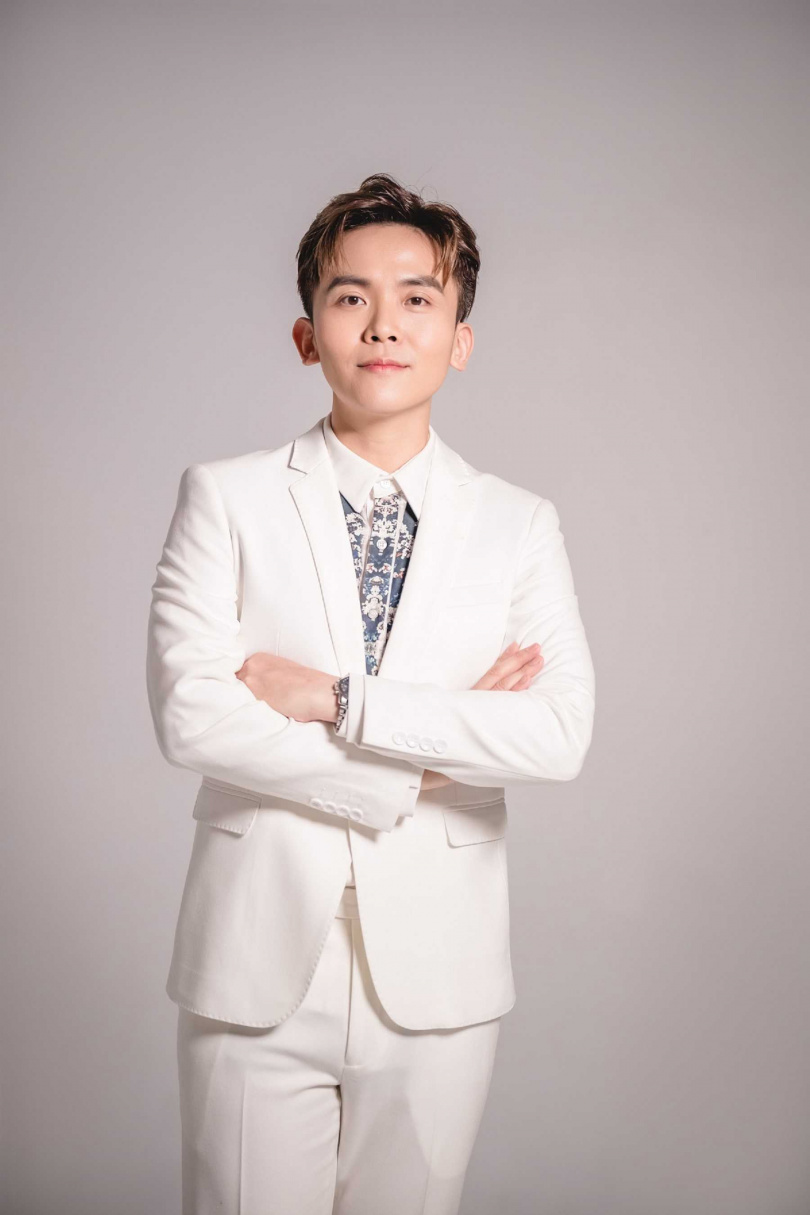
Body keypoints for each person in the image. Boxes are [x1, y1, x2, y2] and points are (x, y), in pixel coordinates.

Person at [146, 171, 596, 1215]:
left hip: (441, 973)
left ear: (459, 338)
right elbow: (192, 716)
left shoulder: (520, 524)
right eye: (351, 297)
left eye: (417, 298)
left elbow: (558, 734)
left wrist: (337, 700)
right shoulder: (226, 497)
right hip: (253, 964)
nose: (384, 324)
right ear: (308, 336)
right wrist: (425, 764)